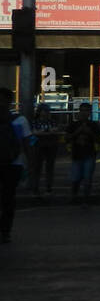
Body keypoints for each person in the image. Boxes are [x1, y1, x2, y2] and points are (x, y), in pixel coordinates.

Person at [1, 88, 33, 244]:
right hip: (14, 164)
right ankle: (5, 231)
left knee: (7, 198)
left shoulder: (19, 120)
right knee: (8, 198)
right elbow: (27, 143)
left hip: (12, 164)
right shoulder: (20, 120)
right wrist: (30, 164)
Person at [66, 102, 100, 206]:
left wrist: (90, 133)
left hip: (89, 154)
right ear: (79, 112)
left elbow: (98, 139)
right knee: (76, 178)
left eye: (87, 111)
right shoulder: (73, 124)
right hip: (76, 154)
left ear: (90, 113)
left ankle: (86, 199)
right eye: (82, 110)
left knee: (87, 177)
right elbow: (67, 138)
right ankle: (74, 196)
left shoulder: (94, 125)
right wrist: (78, 132)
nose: (84, 113)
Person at [30, 102, 61, 198]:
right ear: (39, 112)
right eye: (44, 111)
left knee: (49, 167)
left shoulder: (52, 121)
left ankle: (48, 187)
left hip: (50, 146)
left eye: (47, 111)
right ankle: (35, 188)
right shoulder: (35, 121)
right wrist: (48, 132)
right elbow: (34, 132)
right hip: (38, 146)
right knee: (37, 168)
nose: (46, 113)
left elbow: (55, 130)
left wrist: (42, 132)